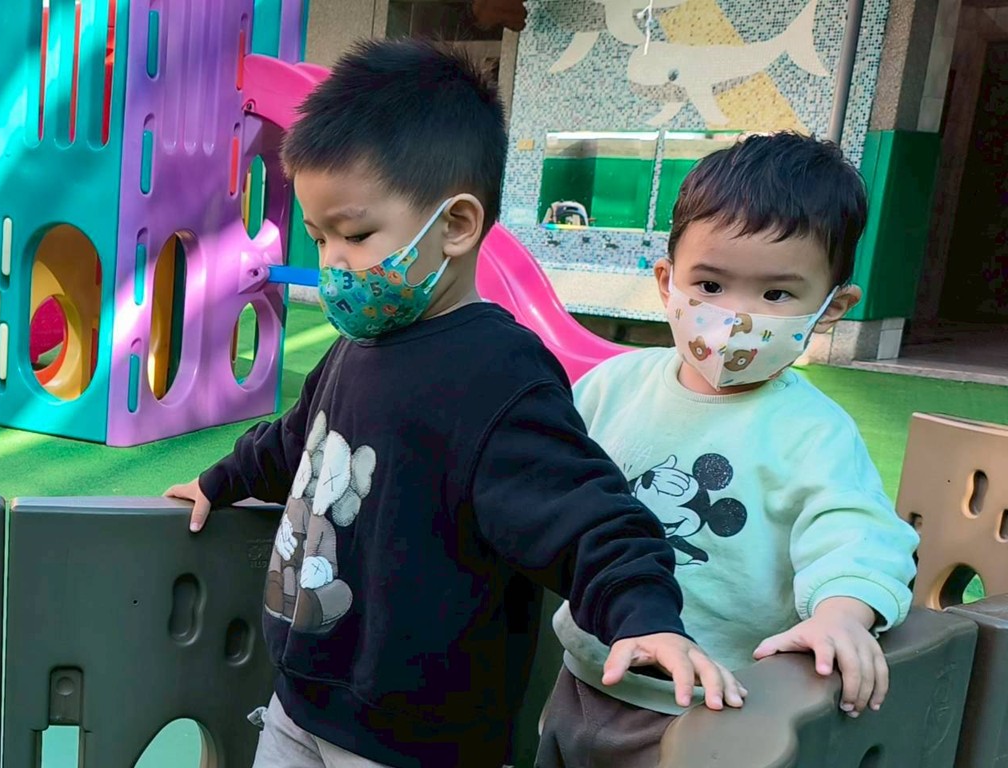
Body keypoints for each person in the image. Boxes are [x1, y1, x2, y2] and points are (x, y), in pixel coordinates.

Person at [165, 38, 743, 768]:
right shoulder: (356, 346)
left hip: (416, 739)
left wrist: (643, 614)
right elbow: (297, 440)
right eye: (318, 237)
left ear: (457, 225)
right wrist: (222, 479)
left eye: (355, 234)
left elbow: (585, 513)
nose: (333, 262)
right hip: (302, 699)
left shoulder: (498, 375)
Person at [536, 132, 919, 768]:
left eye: (776, 295)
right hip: (582, 676)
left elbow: (856, 533)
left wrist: (842, 615)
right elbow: (545, 481)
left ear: (831, 307)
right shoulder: (611, 387)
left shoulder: (812, 432)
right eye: (710, 285)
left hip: (713, 709)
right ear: (667, 282)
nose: (736, 317)